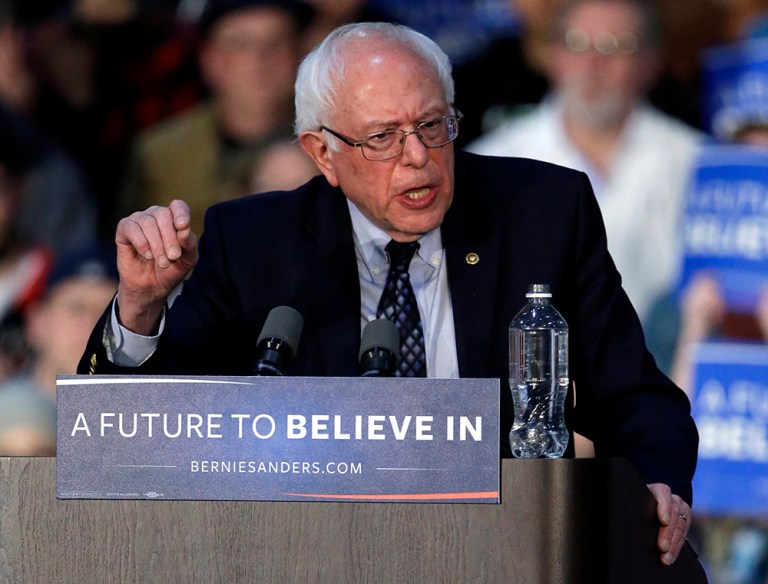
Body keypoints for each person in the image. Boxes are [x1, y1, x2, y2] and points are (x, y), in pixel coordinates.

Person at [78, 21, 698, 566]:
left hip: (501, 546)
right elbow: (145, 434)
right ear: (322, 153)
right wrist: (140, 306)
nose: (418, 158)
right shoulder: (254, 243)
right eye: (382, 138)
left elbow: (636, 399)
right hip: (310, 552)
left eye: (433, 125)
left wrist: (654, 488)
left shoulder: (543, 213)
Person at [465, 0, 706, 326]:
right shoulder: (492, 161)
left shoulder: (698, 162)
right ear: (550, 55)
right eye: (576, 44)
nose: (593, 64)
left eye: (614, 47)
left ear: (651, 61)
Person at [117, 0, 315, 236]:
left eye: (277, 42)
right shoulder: (159, 156)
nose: (260, 58)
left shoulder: (330, 143)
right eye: (240, 44)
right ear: (209, 58)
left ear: (301, 54)